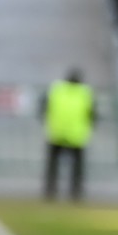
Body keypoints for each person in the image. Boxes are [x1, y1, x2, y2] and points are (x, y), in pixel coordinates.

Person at [44, 69, 95, 200]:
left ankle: (50, 191)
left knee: (53, 166)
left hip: (57, 133)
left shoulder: (57, 90)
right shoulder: (84, 93)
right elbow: (92, 114)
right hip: (76, 136)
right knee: (77, 168)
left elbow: (45, 107)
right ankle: (76, 193)